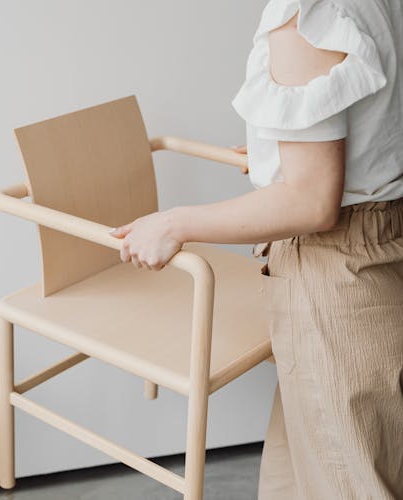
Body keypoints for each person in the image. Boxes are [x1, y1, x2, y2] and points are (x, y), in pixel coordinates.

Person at [109, 0, 403, 498]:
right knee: (296, 479)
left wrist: (175, 223)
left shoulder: (307, 16)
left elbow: (311, 203)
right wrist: (284, 152)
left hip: (335, 276)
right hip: (378, 255)